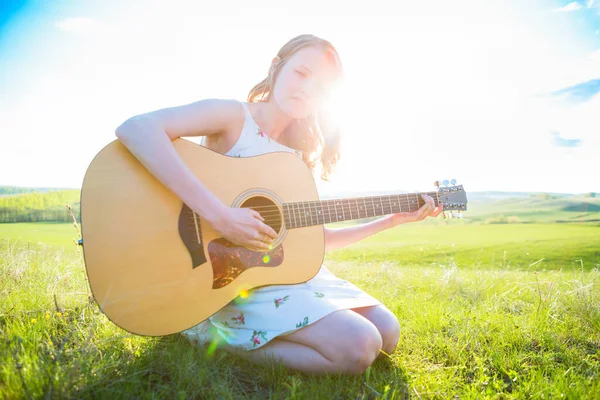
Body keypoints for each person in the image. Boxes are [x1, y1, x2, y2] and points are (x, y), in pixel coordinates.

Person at [115, 34, 443, 376]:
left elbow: (319, 238)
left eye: (322, 86)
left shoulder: (299, 151)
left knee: (387, 333)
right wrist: (221, 216)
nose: (307, 89)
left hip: (282, 274)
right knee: (359, 347)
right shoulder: (232, 117)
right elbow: (136, 128)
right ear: (276, 67)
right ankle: (209, 334)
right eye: (302, 73)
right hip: (228, 281)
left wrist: (390, 221)